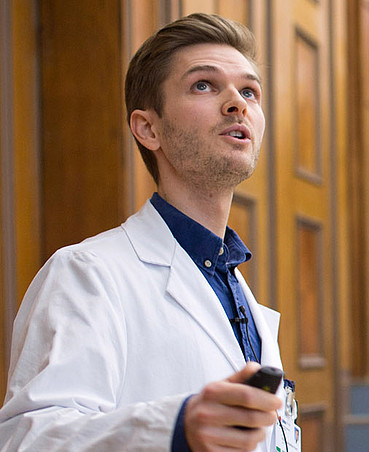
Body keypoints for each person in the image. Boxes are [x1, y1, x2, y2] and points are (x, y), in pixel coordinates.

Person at [0, 13, 296, 451]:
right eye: (204, 85)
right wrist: (176, 429)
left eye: (249, 90)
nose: (238, 103)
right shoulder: (87, 274)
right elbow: (28, 440)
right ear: (148, 128)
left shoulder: (237, 290)